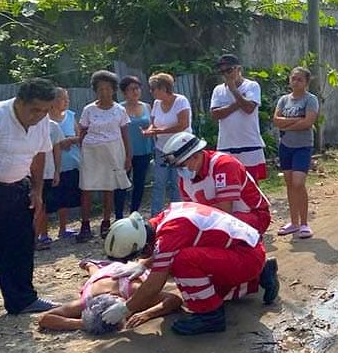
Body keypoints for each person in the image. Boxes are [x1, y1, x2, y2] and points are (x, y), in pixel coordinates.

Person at [99, 203, 279, 335]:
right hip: (246, 250)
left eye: (139, 255)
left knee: (181, 263)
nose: (140, 258)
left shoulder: (169, 235)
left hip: (246, 257)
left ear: (144, 246)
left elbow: (154, 285)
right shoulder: (164, 218)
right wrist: (143, 264)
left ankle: (210, 316)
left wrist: (125, 308)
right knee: (210, 291)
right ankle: (260, 275)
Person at [0, 78, 60, 314]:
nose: (39, 115)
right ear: (19, 102)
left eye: (45, 110)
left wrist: (37, 190)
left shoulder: (42, 121)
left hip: (18, 187)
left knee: (19, 245)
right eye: (35, 109)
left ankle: (22, 300)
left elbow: (39, 155)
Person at [161, 131, 272, 234]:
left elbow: (225, 212)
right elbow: (192, 213)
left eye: (181, 166)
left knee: (213, 233)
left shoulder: (224, 165)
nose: (180, 171)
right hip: (222, 218)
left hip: (254, 216)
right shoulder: (184, 180)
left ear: (195, 156)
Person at [38, 258, 182, 333]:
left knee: (96, 272)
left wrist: (147, 314)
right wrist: (85, 324)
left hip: (124, 271)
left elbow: (174, 300)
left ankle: (90, 264)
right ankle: (90, 264)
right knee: (94, 274)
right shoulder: (88, 303)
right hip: (99, 278)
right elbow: (45, 319)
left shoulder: (132, 290)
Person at [76, 71, 132, 242]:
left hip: (113, 151)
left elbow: (124, 134)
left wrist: (128, 155)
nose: (104, 92)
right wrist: (83, 148)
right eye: (100, 89)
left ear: (113, 90)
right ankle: (85, 225)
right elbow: (82, 131)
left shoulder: (120, 110)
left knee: (109, 188)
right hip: (91, 151)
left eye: (107, 88)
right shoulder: (89, 109)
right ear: (95, 90)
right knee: (87, 188)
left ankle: (106, 223)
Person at [272, 67, 319, 239]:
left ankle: (305, 223)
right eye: (293, 78)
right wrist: (295, 121)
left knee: (299, 183)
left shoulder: (310, 99)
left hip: (303, 146)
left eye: (299, 79)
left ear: (306, 82)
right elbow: (276, 120)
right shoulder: (284, 100)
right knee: (290, 183)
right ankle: (294, 222)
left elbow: (308, 122)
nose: (295, 82)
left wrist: (287, 125)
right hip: (286, 146)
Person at [209, 54, 267, 183]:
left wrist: (234, 90)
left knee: (250, 184)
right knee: (228, 184)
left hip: (249, 143)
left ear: (238, 69)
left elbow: (249, 109)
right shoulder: (218, 90)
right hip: (226, 144)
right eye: (222, 72)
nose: (226, 74)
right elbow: (215, 114)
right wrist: (238, 104)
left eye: (229, 70)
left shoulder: (251, 86)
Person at [143, 72, 191, 216]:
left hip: (179, 148)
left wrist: (161, 130)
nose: (151, 92)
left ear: (163, 88)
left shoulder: (181, 101)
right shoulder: (157, 104)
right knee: (159, 183)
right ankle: (155, 216)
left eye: (153, 88)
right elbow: (153, 123)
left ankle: (178, 214)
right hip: (162, 149)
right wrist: (149, 131)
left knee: (177, 183)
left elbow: (184, 124)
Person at [114, 76, 154, 218]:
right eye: (131, 89)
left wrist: (149, 129)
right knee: (121, 184)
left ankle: (134, 214)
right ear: (124, 92)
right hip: (124, 152)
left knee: (139, 183)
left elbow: (152, 124)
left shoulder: (146, 106)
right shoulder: (119, 108)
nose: (135, 91)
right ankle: (118, 216)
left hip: (144, 150)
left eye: (137, 88)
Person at [50, 87, 82, 238]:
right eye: (64, 98)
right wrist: (57, 144)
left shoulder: (70, 116)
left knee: (66, 197)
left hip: (72, 163)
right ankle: (42, 233)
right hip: (52, 166)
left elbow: (80, 136)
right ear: (54, 100)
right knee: (50, 199)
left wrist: (70, 140)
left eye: (67, 98)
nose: (67, 101)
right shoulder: (45, 119)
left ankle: (63, 228)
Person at [34, 116, 65, 250]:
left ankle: (43, 235)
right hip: (29, 172)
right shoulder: (28, 123)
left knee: (44, 205)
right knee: (35, 206)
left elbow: (57, 150)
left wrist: (57, 171)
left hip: (48, 171)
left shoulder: (53, 126)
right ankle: (34, 238)